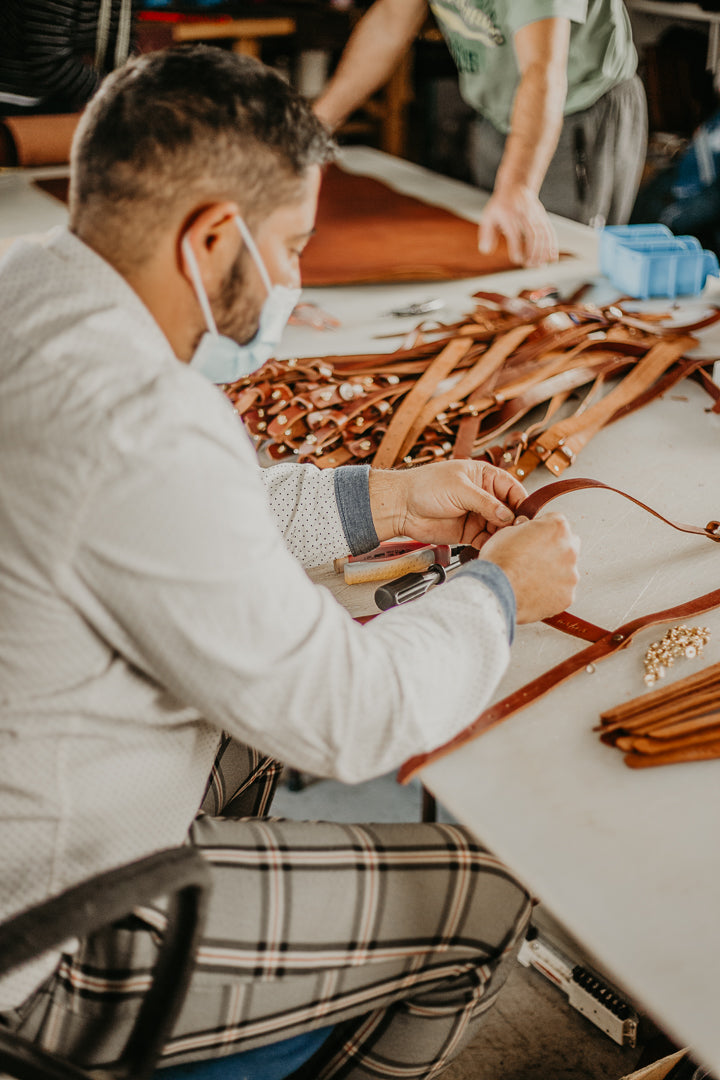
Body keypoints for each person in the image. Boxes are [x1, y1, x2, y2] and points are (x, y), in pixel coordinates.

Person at [0, 45, 580, 1079]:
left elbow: (167, 528)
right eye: (292, 245)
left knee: (252, 731)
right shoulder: (142, 416)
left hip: (40, 790)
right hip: (38, 939)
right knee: (487, 894)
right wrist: (500, 595)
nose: (295, 280)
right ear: (213, 237)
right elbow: (348, 716)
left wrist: (386, 498)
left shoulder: (35, 289)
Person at [313, 0, 648, 268]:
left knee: (560, 270)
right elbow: (389, 22)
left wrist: (518, 184)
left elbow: (543, 70)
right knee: (499, 250)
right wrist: (314, 126)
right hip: (498, 106)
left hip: (577, 107)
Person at [0, 0, 134, 115]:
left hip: (55, 97)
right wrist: (116, 92)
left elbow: (119, 49)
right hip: (11, 98)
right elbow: (48, 63)